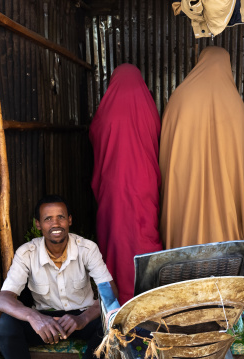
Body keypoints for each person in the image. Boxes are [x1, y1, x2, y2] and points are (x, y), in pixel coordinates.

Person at [0, 195, 116, 359]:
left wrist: (83, 318)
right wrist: (35, 318)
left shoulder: (87, 248)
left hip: (81, 317)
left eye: (61, 217)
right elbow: (4, 299)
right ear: (38, 224)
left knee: (112, 324)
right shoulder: (26, 253)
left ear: (70, 220)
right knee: (6, 327)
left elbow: (109, 292)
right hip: (46, 319)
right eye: (48, 219)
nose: (56, 224)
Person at [159, 46, 244, 249]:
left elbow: (166, 155)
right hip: (225, 209)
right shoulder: (235, 103)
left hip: (184, 200)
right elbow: (239, 163)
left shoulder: (179, 97)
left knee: (185, 234)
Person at [89, 64, 163, 305]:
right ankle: (147, 295)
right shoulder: (149, 108)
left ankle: (116, 298)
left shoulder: (106, 112)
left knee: (115, 238)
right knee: (144, 234)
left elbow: (95, 135)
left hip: (113, 187)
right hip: (145, 183)